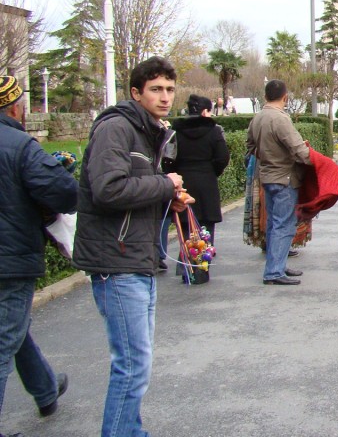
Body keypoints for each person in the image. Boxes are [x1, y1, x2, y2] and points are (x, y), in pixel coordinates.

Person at [72, 57, 193, 437]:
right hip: (117, 261)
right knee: (132, 364)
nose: (165, 97)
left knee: (136, 362)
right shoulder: (117, 128)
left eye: (170, 89)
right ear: (136, 93)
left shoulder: (146, 131)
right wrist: (165, 184)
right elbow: (108, 190)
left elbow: (132, 192)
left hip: (135, 258)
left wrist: (167, 198)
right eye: (156, 89)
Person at [0, 76, 77, 436]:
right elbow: (65, 194)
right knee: (5, 336)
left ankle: (45, 389)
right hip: (10, 259)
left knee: (13, 326)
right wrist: (58, 169)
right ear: (17, 110)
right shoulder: (21, 146)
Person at [246, 79, 310, 285]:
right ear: (285, 97)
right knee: (284, 225)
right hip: (285, 178)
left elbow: (250, 147)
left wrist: (267, 156)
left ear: (265, 96)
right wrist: (314, 161)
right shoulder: (280, 119)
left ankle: (278, 265)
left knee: (274, 224)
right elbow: (298, 149)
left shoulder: (257, 118)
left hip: (267, 176)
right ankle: (274, 272)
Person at [166, 94, 230, 246]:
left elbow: (168, 159)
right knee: (205, 236)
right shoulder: (214, 131)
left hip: (183, 185)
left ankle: (186, 259)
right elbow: (223, 157)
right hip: (207, 184)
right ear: (204, 111)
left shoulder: (175, 132)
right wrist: (212, 171)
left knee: (186, 234)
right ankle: (203, 259)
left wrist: (176, 175)